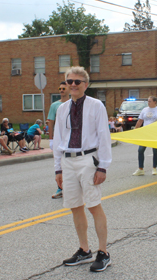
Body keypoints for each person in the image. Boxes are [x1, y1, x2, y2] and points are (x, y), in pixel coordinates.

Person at [53, 66, 112, 272]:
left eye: (77, 81)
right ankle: (84, 250)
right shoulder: (62, 109)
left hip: (88, 159)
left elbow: (104, 136)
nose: (73, 85)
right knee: (75, 206)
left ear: (85, 85)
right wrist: (57, 169)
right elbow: (57, 140)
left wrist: (103, 166)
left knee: (93, 205)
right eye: (69, 81)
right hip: (67, 161)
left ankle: (103, 252)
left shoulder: (96, 106)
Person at [132, 96, 157, 176]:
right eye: (148, 101)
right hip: (145, 133)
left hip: (154, 133)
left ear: (155, 102)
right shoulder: (144, 110)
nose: (148, 102)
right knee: (140, 150)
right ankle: (140, 169)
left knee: (155, 150)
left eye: (150, 101)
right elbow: (140, 120)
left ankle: (154, 168)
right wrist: (136, 129)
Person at [48, 81, 71, 199]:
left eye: (63, 88)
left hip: (70, 138)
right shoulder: (55, 106)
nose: (61, 90)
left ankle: (72, 187)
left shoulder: (73, 103)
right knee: (59, 163)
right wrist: (51, 139)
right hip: (60, 137)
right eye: (60, 88)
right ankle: (60, 188)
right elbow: (50, 122)